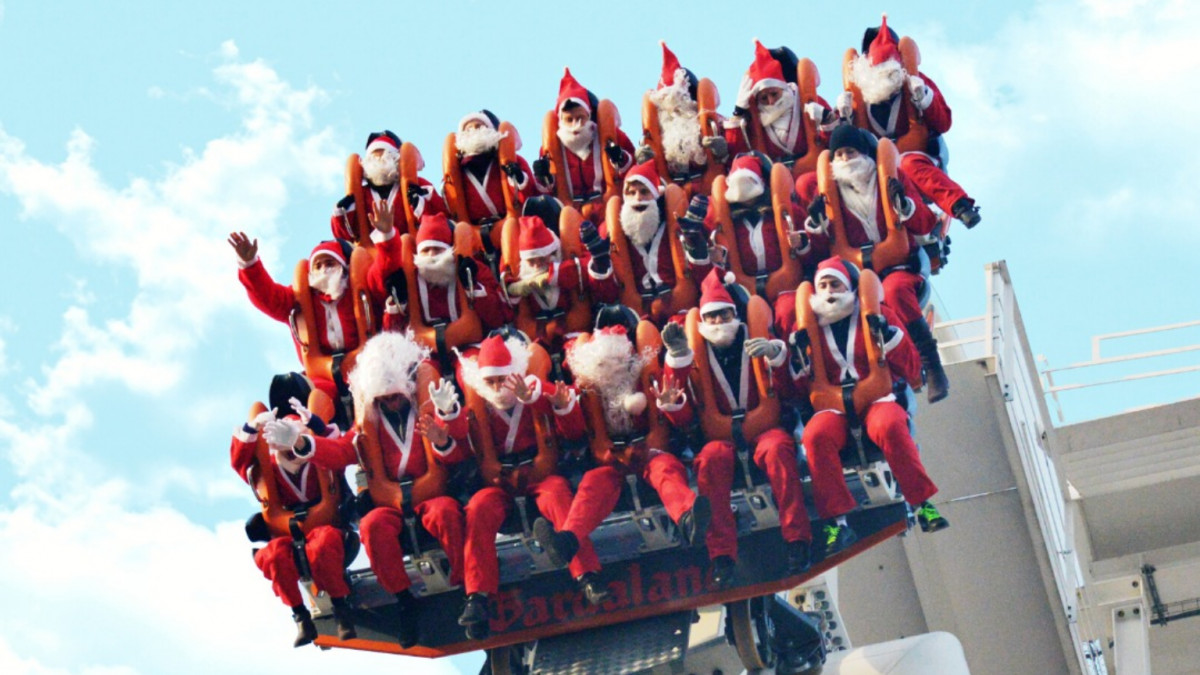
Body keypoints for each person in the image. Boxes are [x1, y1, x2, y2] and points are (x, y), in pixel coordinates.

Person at [309, 331, 468, 647]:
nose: (389, 403)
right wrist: (306, 444)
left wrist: (441, 440)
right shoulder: (368, 422)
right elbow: (342, 450)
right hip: (389, 502)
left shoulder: (430, 405)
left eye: (394, 396)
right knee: (372, 526)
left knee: (447, 513)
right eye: (382, 398)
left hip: (432, 494)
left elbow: (460, 453)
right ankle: (403, 599)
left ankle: (466, 588)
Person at [659, 270, 813, 586]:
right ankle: (722, 557)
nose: (717, 323)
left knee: (778, 449)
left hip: (764, 429)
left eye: (723, 314)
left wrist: (776, 356)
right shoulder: (694, 354)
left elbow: (792, 390)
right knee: (709, 461)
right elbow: (687, 418)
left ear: (734, 313)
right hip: (720, 437)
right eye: (711, 317)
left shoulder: (756, 336)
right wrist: (675, 377)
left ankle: (797, 540)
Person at [440, 335, 600, 637]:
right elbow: (460, 442)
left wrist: (560, 404)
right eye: (493, 381)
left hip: (539, 474)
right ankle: (476, 596)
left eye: (504, 378)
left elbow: (570, 426)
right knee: (478, 508)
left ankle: (587, 574)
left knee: (558, 496)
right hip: (498, 482)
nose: (499, 387)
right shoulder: (479, 404)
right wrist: (444, 427)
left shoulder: (534, 393)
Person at [532, 323, 710, 586]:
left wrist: (670, 402)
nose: (611, 369)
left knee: (665, 469)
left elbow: (681, 415)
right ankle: (567, 541)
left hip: (650, 453)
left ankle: (688, 519)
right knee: (593, 483)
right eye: (604, 365)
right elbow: (574, 431)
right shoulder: (587, 391)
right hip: (611, 462)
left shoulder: (646, 378)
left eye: (617, 362)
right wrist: (562, 407)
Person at [793, 257, 949, 554]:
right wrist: (795, 357)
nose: (829, 291)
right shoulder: (808, 329)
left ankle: (921, 502)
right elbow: (799, 388)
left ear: (850, 287)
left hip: (877, 397)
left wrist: (889, 336)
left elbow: (913, 368)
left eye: (835, 283)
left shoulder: (877, 313)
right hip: (833, 405)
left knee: (889, 424)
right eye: (823, 285)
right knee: (814, 436)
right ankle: (836, 523)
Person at [795, 125, 950, 402]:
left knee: (894, 292)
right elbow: (823, 250)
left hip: (900, 266)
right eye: (839, 154)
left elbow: (925, 222)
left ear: (865, 154)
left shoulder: (889, 177)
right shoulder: (828, 192)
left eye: (851, 152)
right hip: (853, 278)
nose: (845, 159)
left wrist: (903, 204)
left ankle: (931, 363)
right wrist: (817, 224)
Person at [229, 203, 403, 411]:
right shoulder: (303, 299)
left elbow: (384, 271)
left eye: (330, 264)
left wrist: (386, 235)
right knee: (299, 395)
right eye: (318, 266)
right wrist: (250, 264)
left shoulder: (359, 288)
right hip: (324, 375)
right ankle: (302, 434)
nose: (324, 270)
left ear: (344, 267)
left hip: (369, 366)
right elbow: (269, 297)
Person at [230, 406, 356, 647]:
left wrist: (317, 424)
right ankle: (301, 617)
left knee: (323, 544)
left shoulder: (319, 456)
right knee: (274, 555)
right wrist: (252, 428)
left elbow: (340, 449)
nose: (291, 453)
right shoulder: (268, 467)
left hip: (324, 528)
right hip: (287, 532)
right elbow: (239, 463)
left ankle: (342, 610)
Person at [842, 15, 981, 228]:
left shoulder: (917, 81)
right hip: (875, 166)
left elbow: (944, 123)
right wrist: (839, 119)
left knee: (908, 163)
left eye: (888, 71)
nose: (884, 78)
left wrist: (925, 99)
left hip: (920, 158)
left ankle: (959, 206)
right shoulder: (858, 98)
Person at [609, 160, 712, 326]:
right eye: (631, 193)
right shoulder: (616, 230)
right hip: (639, 314)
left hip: (679, 308)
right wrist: (599, 262)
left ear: (656, 195)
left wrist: (695, 242)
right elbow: (605, 287)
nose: (638, 199)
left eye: (644, 192)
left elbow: (706, 275)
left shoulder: (677, 224)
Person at [502, 214, 618, 349]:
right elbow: (503, 305)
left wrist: (552, 275)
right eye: (531, 261)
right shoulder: (519, 273)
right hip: (535, 338)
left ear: (553, 252)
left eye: (542, 258)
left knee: (580, 348)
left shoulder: (566, 262)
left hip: (573, 332)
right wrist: (513, 290)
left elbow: (586, 267)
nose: (537, 265)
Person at [532, 68, 636, 217]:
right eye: (569, 119)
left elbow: (634, 168)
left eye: (580, 117)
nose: (576, 124)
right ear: (561, 121)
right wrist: (543, 176)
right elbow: (546, 191)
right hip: (570, 211)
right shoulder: (550, 149)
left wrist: (620, 158)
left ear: (589, 115)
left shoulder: (609, 136)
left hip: (606, 206)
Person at [726, 40, 836, 166]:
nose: (771, 101)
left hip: (812, 173)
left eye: (774, 94)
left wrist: (827, 119)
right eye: (764, 98)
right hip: (771, 180)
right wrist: (738, 113)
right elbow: (736, 153)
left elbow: (835, 142)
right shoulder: (754, 119)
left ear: (784, 88)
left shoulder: (808, 101)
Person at [331, 130, 447, 241]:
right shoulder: (360, 195)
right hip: (375, 254)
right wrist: (341, 213)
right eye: (374, 157)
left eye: (384, 155)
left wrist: (420, 203)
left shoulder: (417, 184)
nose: (379, 160)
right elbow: (345, 236)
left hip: (413, 247)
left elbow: (441, 215)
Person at [641, 41, 728, 181]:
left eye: (679, 103)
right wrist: (639, 160)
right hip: (669, 193)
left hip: (710, 189)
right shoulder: (656, 136)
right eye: (668, 106)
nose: (675, 111)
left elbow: (741, 146)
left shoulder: (716, 124)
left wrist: (725, 149)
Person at [447, 110, 538, 225]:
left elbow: (531, 193)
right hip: (473, 231)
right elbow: (448, 204)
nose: (474, 131)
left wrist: (519, 178)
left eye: (479, 126)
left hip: (510, 223)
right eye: (468, 129)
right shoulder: (458, 173)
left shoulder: (512, 160)